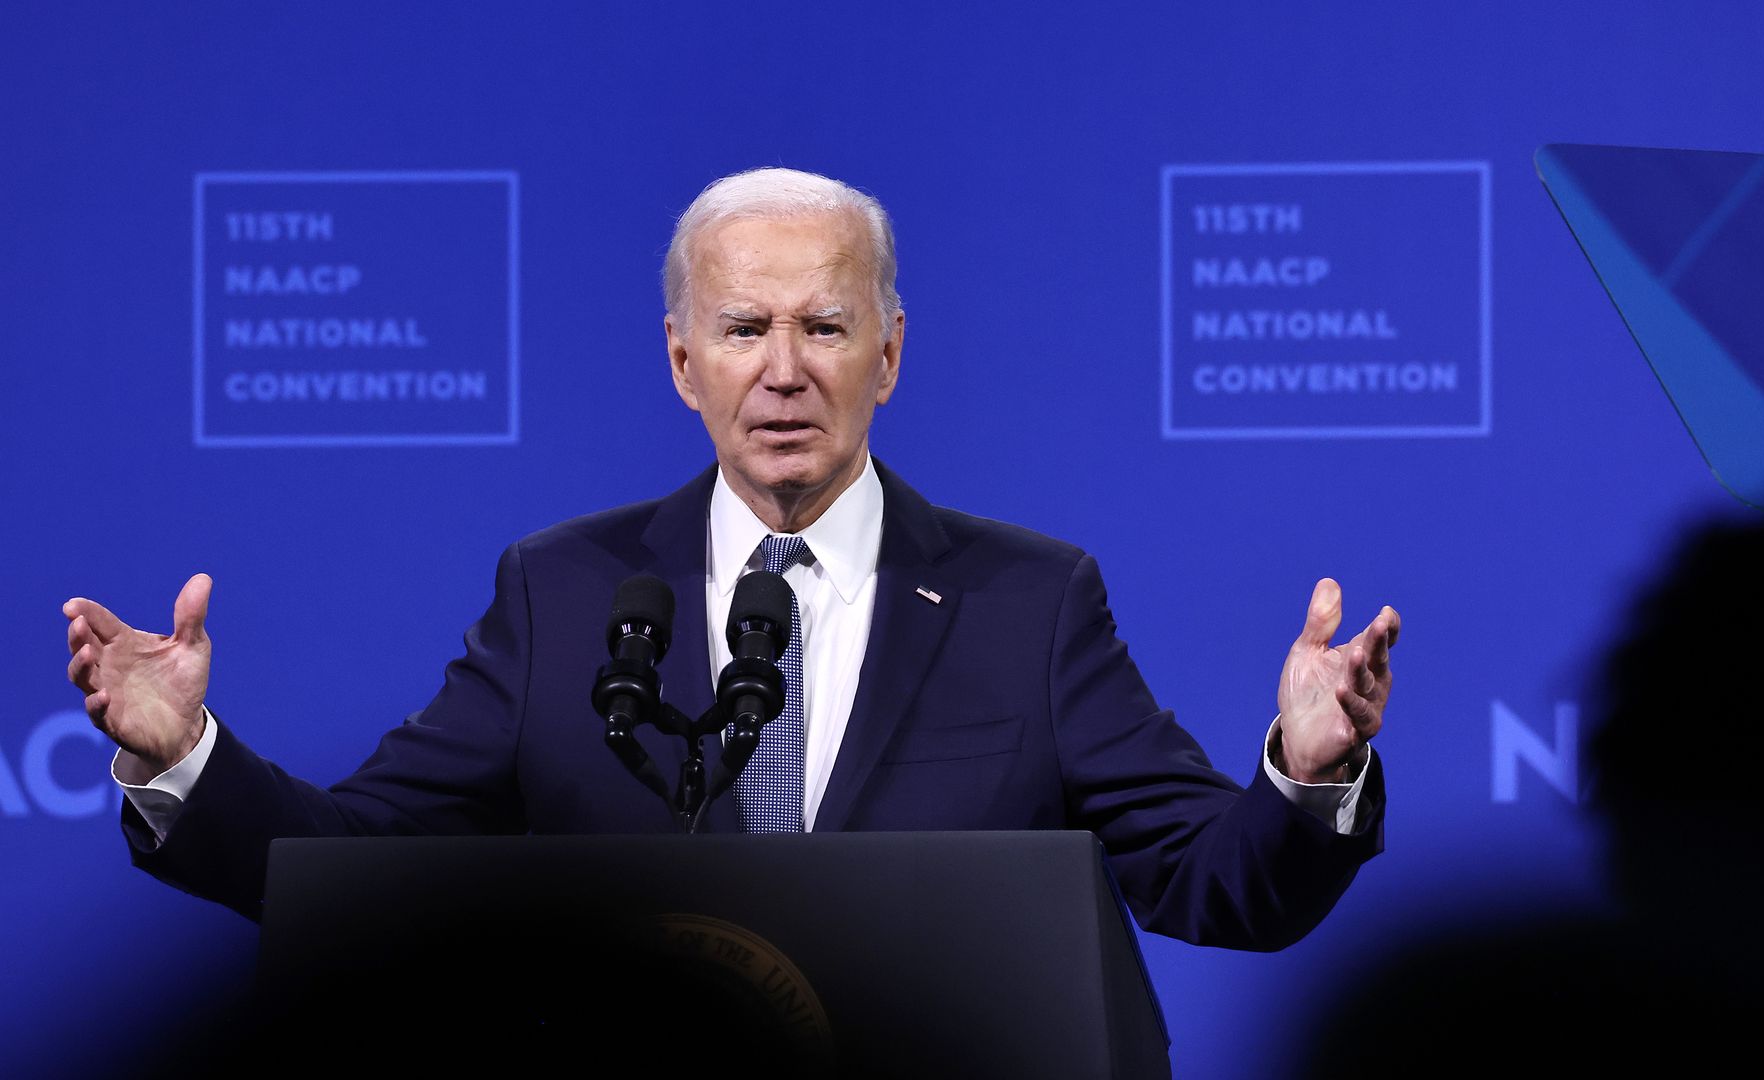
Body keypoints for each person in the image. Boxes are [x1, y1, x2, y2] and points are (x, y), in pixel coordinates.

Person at [63, 168, 1400, 948]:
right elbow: (351, 868)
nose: (782, 370)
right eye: (743, 327)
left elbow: (1217, 883)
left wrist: (1305, 776)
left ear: (889, 353)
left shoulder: (1029, 600)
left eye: (824, 326)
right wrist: (184, 755)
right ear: (680, 361)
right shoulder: (563, 592)